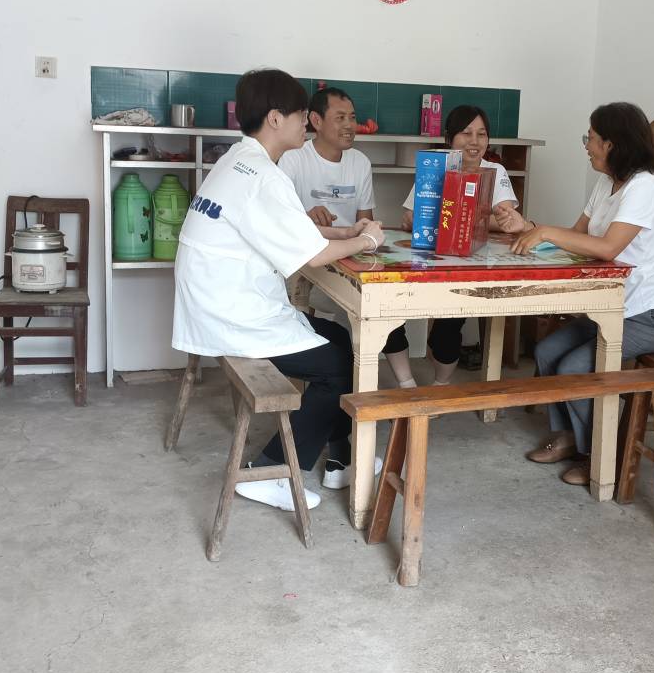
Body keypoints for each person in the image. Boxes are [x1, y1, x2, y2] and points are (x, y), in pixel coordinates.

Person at [171, 68, 385, 511]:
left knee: (341, 338)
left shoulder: (238, 161)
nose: (306, 123)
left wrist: (346, 230)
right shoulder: (265, 177)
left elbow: (288, 230)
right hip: (235, 317)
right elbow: (314, 257)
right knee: (341, 364)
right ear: (274, 118)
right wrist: (367, 241)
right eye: (300, 115)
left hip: (218, 304)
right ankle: (270, 470)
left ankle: (342, 459)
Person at [510, 102, 654, 486]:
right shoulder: (607, 183)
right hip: (610, 306)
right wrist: (530, 227)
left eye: (590, 138)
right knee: (547, 352)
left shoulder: (646, 185)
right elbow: (576, 240)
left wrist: (546, 232)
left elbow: (607, 248)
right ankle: (569, 437)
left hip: (652, 314)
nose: (587, 146)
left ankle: (600, 457)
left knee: (573, 367)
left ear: (612, 143)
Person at [383, 105, 527, 388]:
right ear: (450, 139)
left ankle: (441, 386)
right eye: (466, 133)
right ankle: (407, 385)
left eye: (481, 134)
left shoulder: (494, 170)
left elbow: (507, 219)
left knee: (447, 331)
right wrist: (469, 217)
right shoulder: (435, 167)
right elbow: (411, 217)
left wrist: (463, 217)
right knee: (387, 314)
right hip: (426, 262)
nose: (474, 141)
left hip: (468, 266)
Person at [278, 87, 375, 229]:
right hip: (307, 241)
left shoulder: (361, 162)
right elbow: (279, 218)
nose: (349, 125)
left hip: (350, 242)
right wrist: (306, 216)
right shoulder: (292, 158)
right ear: (316, 121)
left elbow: (366, 225)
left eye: (352, 117)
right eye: (340, 118)